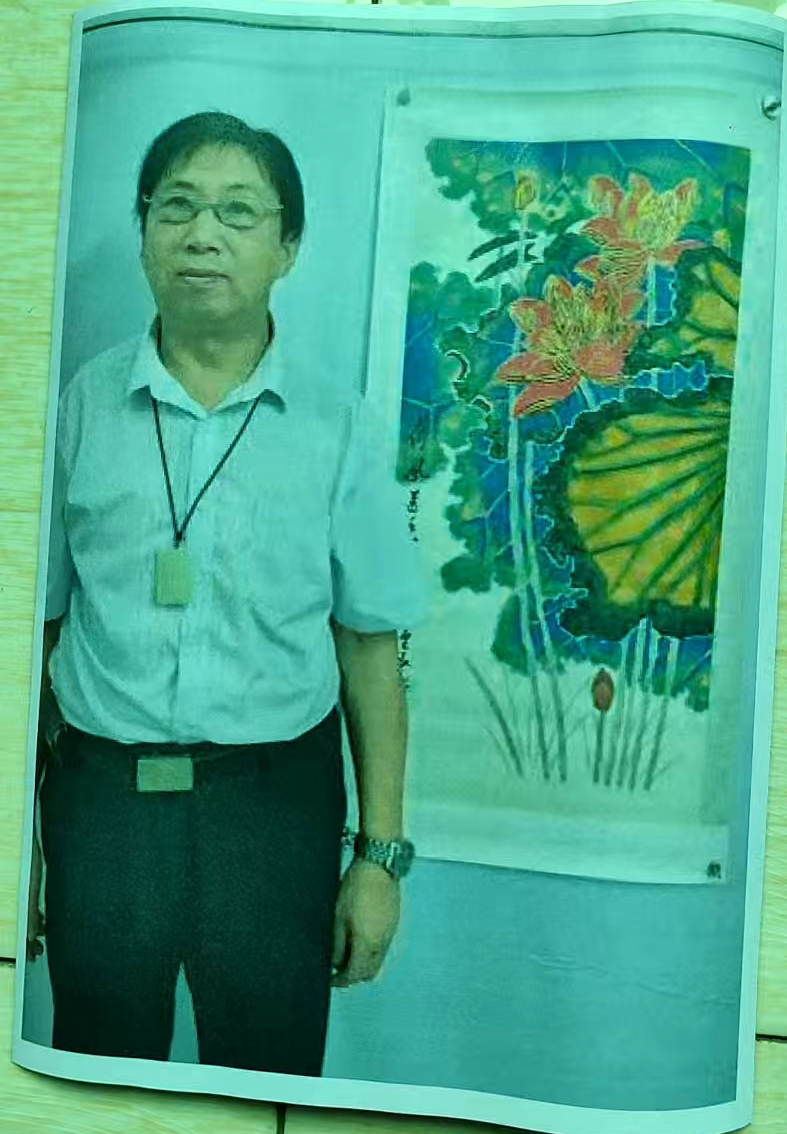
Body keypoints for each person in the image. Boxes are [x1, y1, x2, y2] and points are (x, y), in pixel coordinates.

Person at [26, 110, 425, 1076]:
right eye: (177, 208)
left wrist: (379, 859)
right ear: (143, 233)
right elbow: (39, 628)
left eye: (239, 212)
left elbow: (370, 646)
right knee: (100, 1075)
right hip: (102, 805)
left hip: (273, 811)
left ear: (287, 248)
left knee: (267, 1073)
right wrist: (19, 836)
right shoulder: (77, 406)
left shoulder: (337, 424)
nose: (202, 234)